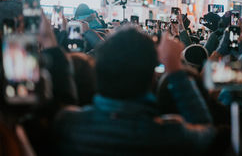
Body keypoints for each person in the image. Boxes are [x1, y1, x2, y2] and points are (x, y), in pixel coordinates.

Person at [53, 27, 215, 156]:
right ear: (153, 78)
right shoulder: (169, 135)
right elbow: (205, 130)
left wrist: (50, 45)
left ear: (98, 71)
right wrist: (174, 69)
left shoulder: (69, 126)